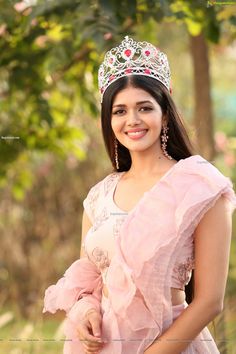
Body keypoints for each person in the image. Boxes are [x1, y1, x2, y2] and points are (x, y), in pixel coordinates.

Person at [43, 36, 236, 354]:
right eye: (120, 111)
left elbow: (210, 302)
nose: (132, 120)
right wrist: (88, 312)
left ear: (164, 111)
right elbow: (88, 279)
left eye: (144, 107)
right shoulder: (99, 197)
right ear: (108, 119)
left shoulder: (199, 187)